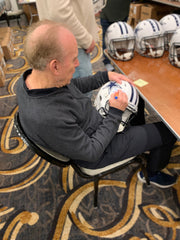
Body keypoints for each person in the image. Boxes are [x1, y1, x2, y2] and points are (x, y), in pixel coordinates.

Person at [16, 20, 177, 188]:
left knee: (137, 94)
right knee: (169, 130)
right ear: (55, 66)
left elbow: (72, 87)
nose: (77, 63)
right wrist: (115, 113)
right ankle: (152, 173)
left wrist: (105, 77)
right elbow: (91, 153)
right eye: (73, 59)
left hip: (94, 128)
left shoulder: (34, 78)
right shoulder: (48, 117)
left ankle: (140, 138)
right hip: (100, 150)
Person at [35, 0, 98, 78]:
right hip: (73, 43)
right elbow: (59, 12)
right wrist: (85, 39)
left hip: (59, 40)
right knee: (80, 87)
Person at [100, 0, 131, 71]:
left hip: (122, 11)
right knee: (107, 38)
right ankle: (107, 62)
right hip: (107, 13)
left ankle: (121, 57)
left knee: (121, 37)